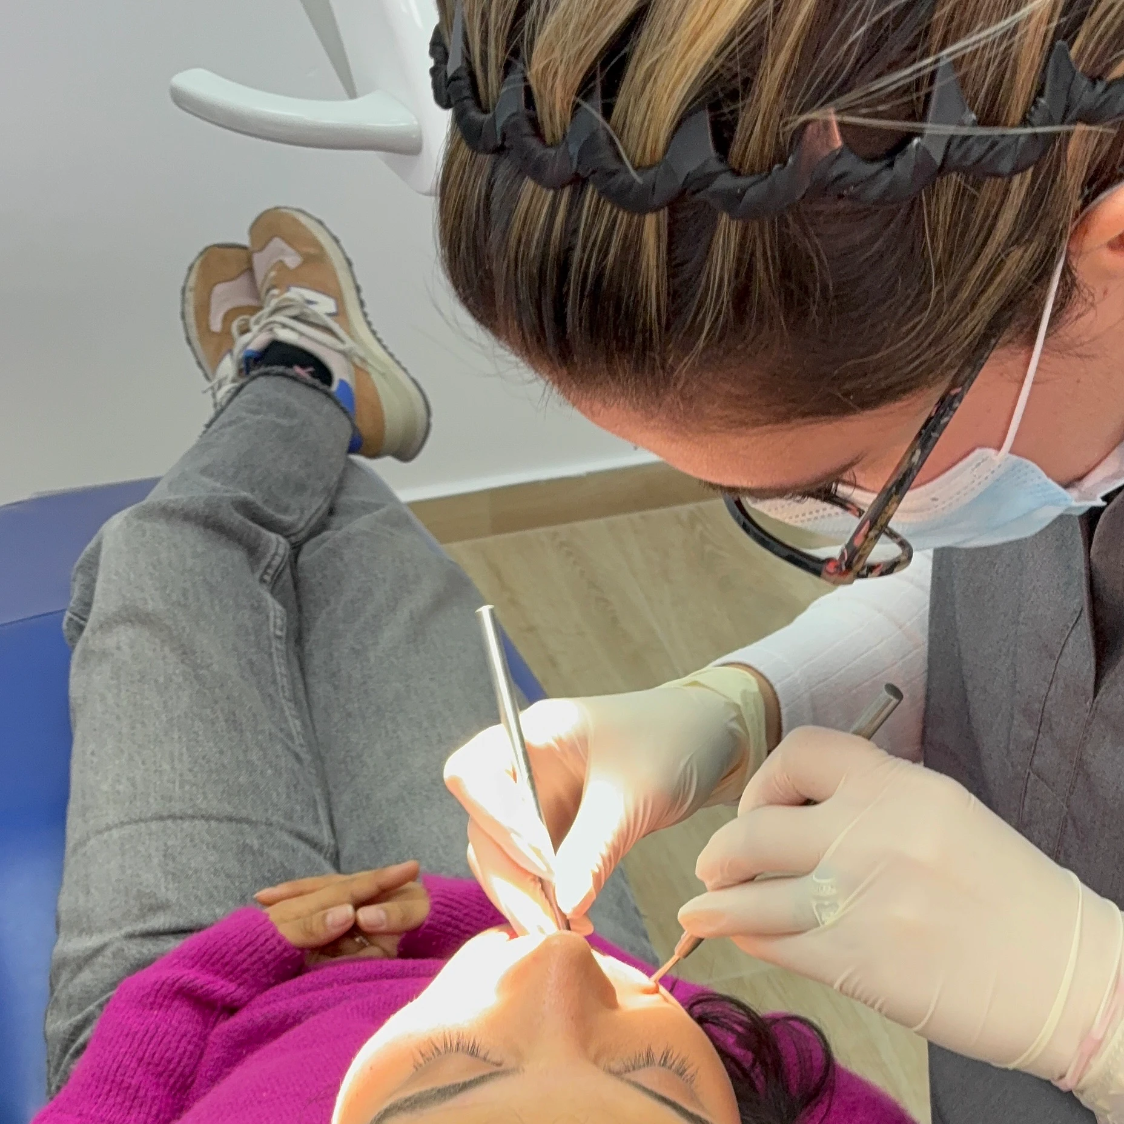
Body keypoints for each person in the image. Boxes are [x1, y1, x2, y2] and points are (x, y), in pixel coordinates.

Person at [35, 207, 912, 1124]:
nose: (562, 966)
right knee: (368, 556)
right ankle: (303, 383)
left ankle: (297, 382)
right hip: (448, 922)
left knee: (164, 548)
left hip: (201, 1012)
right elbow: (772, 1069)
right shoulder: (579, 968)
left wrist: (253, 956)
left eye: (451, 1072)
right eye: (652, 1079)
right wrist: (734, 709)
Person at [428, 1, 1124, 1121]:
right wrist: (742, 702)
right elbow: (1026, 603)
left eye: (839, 478)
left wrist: (1093, 1003)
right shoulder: (1057, 392)